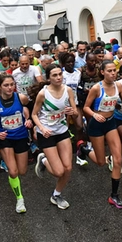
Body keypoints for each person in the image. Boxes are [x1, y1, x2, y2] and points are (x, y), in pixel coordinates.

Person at [79, 60, 122, 208]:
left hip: (111, 123)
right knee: (100, 162)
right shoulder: (96, 88)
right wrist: (94, 115)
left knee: (117, 160)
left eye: (114, 71)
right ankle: (84, 149)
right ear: (102, 72)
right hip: (96, 125)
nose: (113, 73)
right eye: (110, 71)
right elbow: (85, 107)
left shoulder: (118, 85)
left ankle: (114, 196)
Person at [30, 64, 77, 210]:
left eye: (59, 74)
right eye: (54, 75)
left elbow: (75, 111)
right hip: (47, 133)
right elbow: (33, 114)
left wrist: (71, 111)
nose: (58, 78)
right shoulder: (43, 94)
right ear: (48, 78)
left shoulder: (67, 90)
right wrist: (42, 128)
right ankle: (43, 159)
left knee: (68, 168)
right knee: (58, 172)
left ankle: (56, 195)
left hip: (62, 130)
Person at [0, 73, 32, 214]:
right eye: (6, 85)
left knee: (22, 171)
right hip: (5, 138)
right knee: (13, 172)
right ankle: (20, 199)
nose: (9, 87)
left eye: (12, 84)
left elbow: (30, 108)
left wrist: (29, 118)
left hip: (21, 136)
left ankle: (41, 160)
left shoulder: (21, 98)